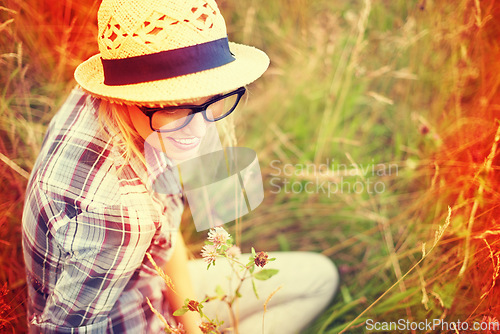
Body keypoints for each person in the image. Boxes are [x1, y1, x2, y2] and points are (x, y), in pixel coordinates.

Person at [22, 0, 339, 333]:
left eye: (211, 97)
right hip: (133, 323)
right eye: (174, 107)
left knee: (319, 277)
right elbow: (62, 329)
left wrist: (194, 325)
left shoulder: (107, 100)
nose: (200, 131)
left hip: (153, 289)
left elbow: (165, 236)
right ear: (124, 98)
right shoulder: (120, 213)